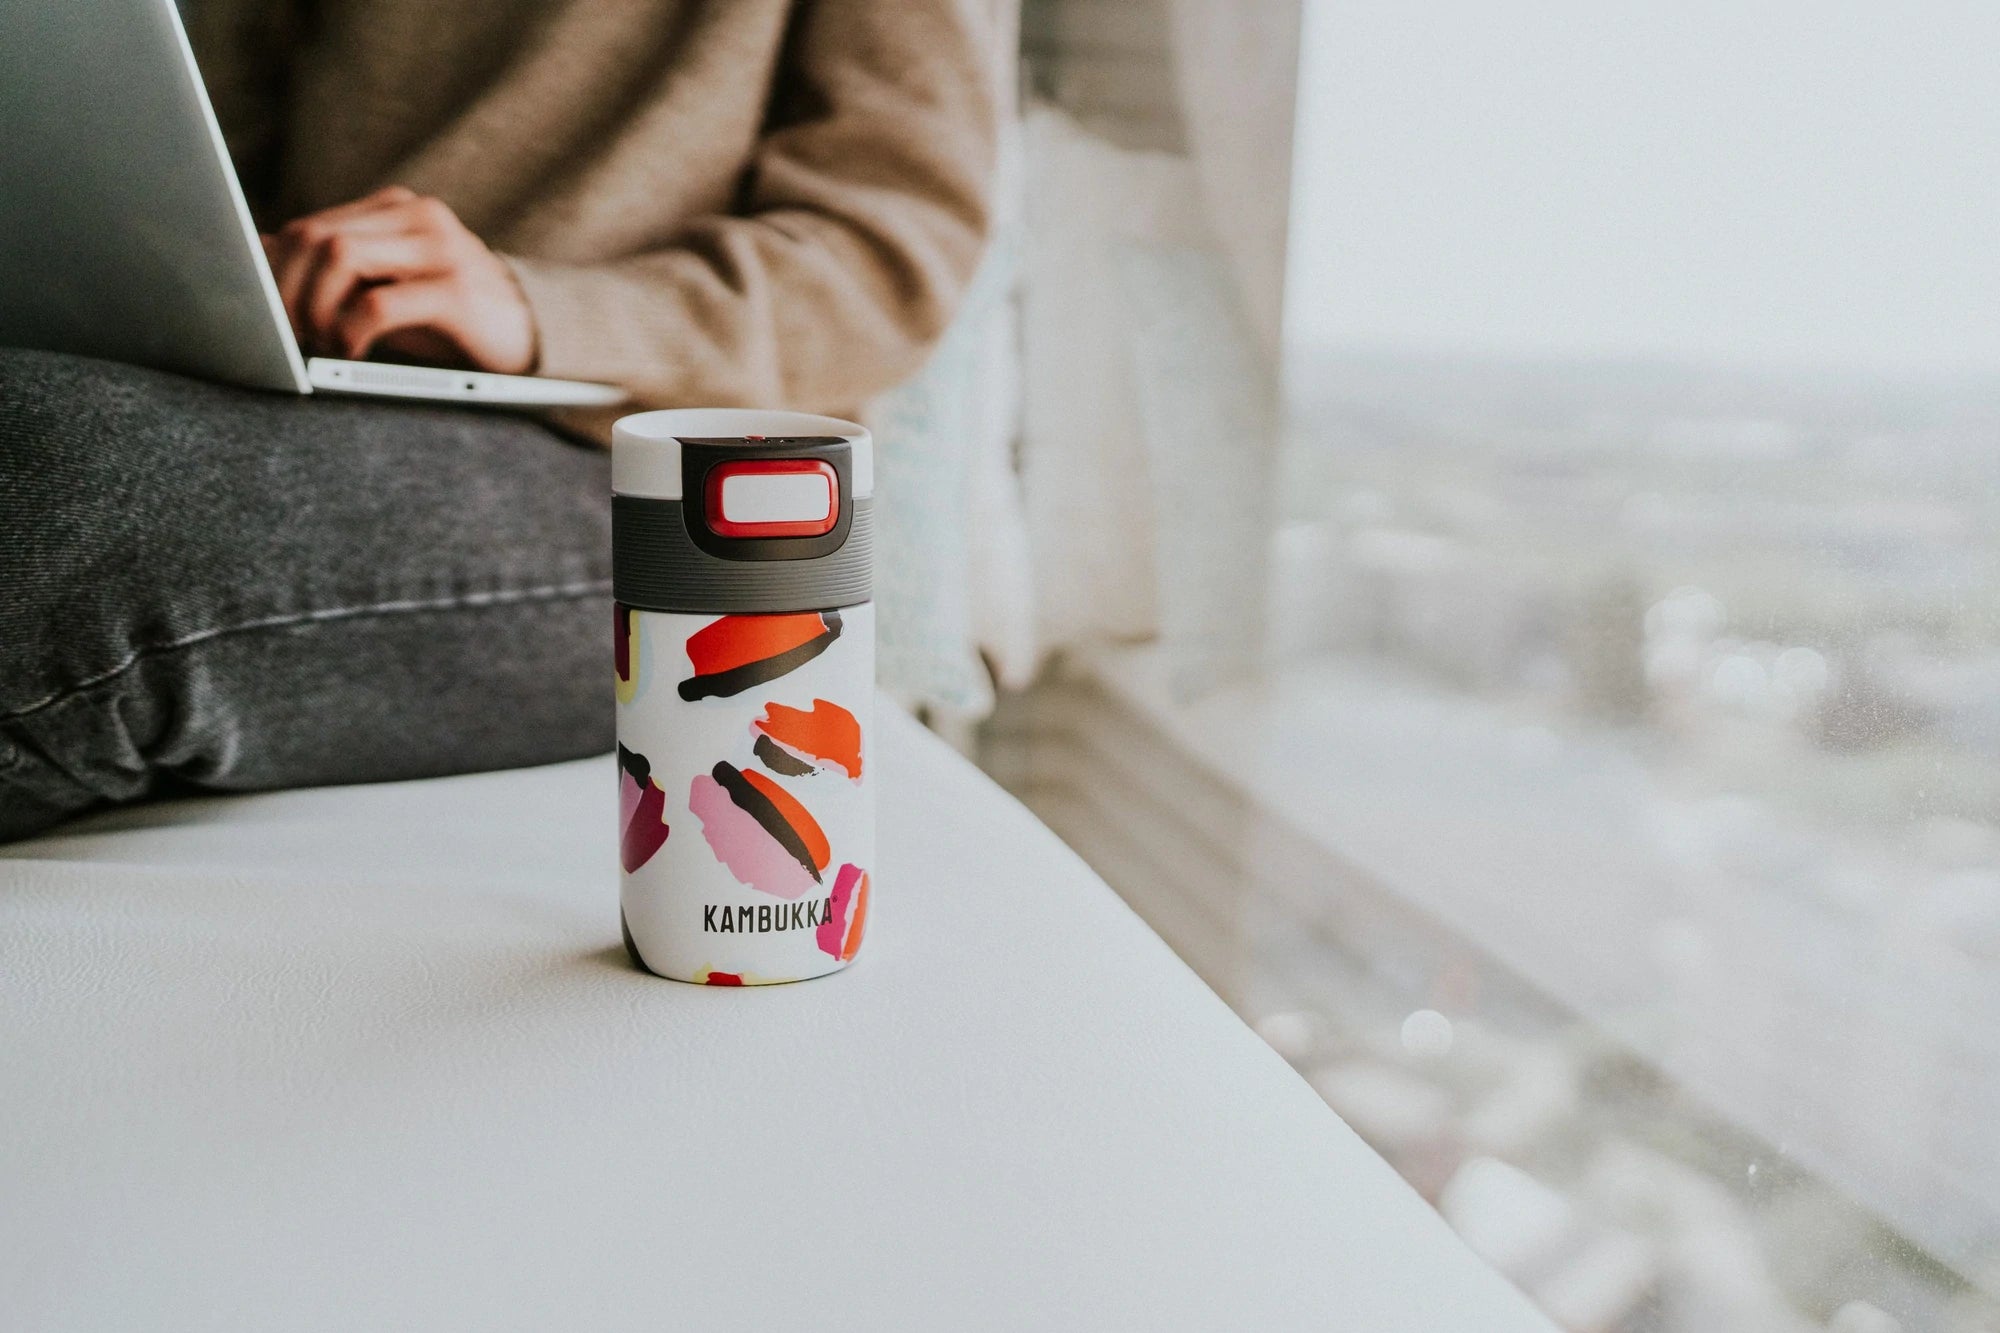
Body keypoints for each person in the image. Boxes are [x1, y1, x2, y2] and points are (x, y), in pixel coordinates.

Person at [0, 0, 997, 842]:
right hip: (302, 386)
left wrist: (540, 311)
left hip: (645, 472)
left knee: (64, 493)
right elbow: (201, 124)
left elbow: (886, 260)